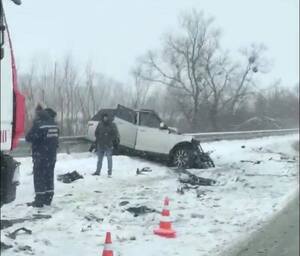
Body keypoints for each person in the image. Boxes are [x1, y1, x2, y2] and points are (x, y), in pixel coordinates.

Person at [25, 107, 59, 207]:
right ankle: (48, 197)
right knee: (49, 176)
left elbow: (29, 137)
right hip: (51, 156)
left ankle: (39, 199)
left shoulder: (39, 125)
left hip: (40, 155)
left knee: (39, 177)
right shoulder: (55, 125)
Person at [92, 113, 120, 177]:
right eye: (104, 117)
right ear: (103, 118)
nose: (105, 118)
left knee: (109, 159)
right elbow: (96, 133)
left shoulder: (112, 125)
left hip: (108, 145)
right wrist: (99, 139)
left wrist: (110, 139)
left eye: (106, 117)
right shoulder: (100, 124)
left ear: (108, 118)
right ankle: (97, 171)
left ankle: (109, 172)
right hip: (100, 144)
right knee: (99, 160)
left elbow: (115, 134)